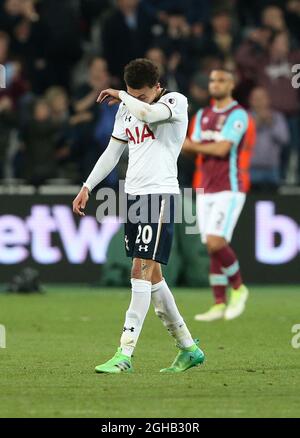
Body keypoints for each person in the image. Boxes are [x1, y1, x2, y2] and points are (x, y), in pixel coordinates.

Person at [73, 58, 205, 373]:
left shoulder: (174, 102)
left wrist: (123, 95)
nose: (136, 101)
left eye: (141, 95)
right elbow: (112, 152)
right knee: (153, 276)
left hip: (160, 195)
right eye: (132, 95)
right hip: (134, 197)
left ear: (157, 87)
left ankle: (125, 353)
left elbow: (147, 112)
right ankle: (189, 348)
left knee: (139, 271)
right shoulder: (127, 107)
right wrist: (87, 186)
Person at [183, 69, 249, 322]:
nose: (215, 84)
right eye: (212, 80)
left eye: (221, 80)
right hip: (206, 188)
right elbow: (188, 149)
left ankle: (239, 288)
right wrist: (196, 147)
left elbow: (222, 149)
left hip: (229, 188)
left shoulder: (238, 114)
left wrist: (196, 146)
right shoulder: (202, 115)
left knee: (215, 241)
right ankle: (219, 303)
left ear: (231, 85)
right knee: (211, 248)